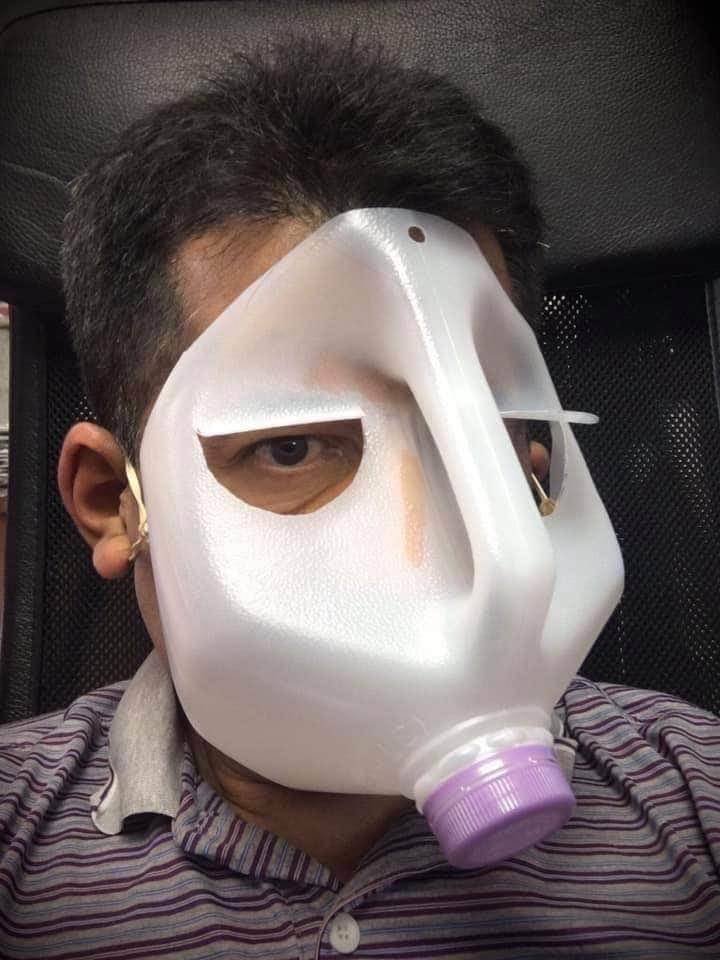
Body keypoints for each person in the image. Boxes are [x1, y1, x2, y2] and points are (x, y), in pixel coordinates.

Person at [1, 37, 719, 959]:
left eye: (492, 437)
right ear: (114, 502)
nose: (434, 539)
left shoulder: (695, 798)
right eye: (291, 448)